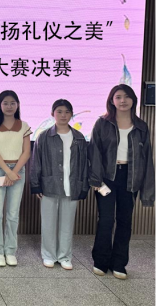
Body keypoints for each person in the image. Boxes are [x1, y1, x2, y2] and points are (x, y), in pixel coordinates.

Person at [89, 84, 154, 279]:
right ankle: (101, 261)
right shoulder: (102, 123)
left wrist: (148, 191)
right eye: (118, 97)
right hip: (107, 177)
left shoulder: (141, 126)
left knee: (125, 221)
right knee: (106, 220)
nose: (123, 100)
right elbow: (94, 152)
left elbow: (147, 159)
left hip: (131, 177)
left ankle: (119, 263)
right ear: (112, 100)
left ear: (133, 99)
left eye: (127, 96)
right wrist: (96, 179)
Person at [30, 99, 89, 270]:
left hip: (72, 186)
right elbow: (36, 161)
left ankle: (65, 256)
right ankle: (48, 255)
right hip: (49, 185)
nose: (63, 115)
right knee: (48, 223)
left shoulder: (79, 137)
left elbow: (85, 164)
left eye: (67, 112)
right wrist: (36, 185)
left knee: (67, 224)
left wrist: (84, 186)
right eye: (59, 112)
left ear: (71, 114)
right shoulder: (44, 136)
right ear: (52, 114)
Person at [0, 90, 31, 267]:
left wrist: (14, 172)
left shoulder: (24, 126)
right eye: (5, 103)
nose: (9, 106)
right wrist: (7, 171)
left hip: (18, 171)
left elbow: (26, 152)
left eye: (13, 103)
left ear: (18, 105)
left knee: (12, 213)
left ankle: (10, 250)